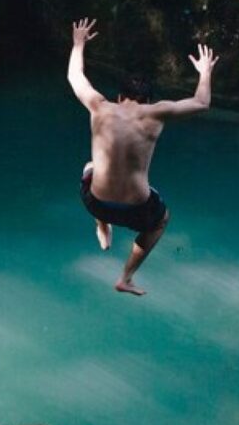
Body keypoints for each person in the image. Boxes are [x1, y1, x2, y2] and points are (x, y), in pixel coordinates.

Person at [68, 18, 218, 296]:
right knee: (161, 220)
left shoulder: (99, 106)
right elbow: (202, 103)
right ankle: (125, 277)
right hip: (136, 208)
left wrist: (78, 44)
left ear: (119, 95)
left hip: (94, 202)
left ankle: (102, 226)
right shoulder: (156, 112)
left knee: (90, 166)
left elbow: (75, 77)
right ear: (147, 101)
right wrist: (204, 71)